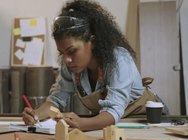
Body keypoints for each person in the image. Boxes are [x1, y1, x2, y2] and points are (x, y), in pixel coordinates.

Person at [22, 0, 163, 131]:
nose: (67, 60)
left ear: (92, 41)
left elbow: (113, 112)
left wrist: (81, 123)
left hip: (144, 122)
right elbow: (55, 101)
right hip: (107, 124)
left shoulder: (119, 59)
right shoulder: (71, 66)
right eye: (62, 53)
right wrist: (36, 115)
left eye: (71, 51)